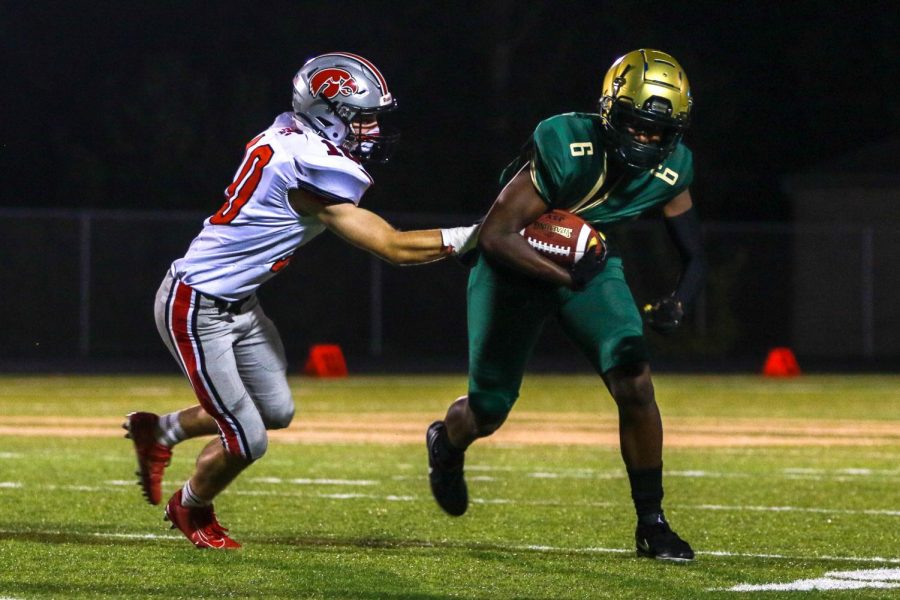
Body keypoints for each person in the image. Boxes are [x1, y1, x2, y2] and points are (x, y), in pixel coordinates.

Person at [123, 51, 477, 549]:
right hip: (197, 304)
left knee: (275, 409)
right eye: (363, 118)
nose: (372, 130)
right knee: (248, 439)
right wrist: (479, 235)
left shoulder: (291, 135)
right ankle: (191, 506)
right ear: (326, 113)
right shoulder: (309, 165)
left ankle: (159, 431)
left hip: (240, 304)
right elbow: (394, 248)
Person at [426, 49, 705, 562]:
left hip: (588, 265)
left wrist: (679, 302)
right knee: (487, 410)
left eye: (656, 132)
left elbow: (694, 255)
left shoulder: (674, 169)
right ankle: (447, 443)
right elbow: (496, 234)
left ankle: (653, 523)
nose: (644, 139)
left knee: (636, 380)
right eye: (634, 125)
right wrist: (565, 276)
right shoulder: (567, 142)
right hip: (513, 267)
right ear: (608, 112)